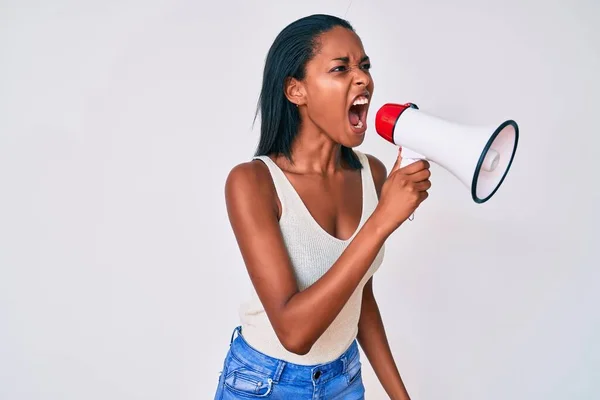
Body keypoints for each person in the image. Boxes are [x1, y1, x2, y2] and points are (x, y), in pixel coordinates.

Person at [213, 14, 431, 400]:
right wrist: (381, 221)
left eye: (364, 66)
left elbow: (359, 298)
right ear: (296, 90)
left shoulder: (373, 173)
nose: (362, 78)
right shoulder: (253, 183)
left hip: (343, 379)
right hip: (265, 384)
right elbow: (294, 334)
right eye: (340, 68)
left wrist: (402, 396)